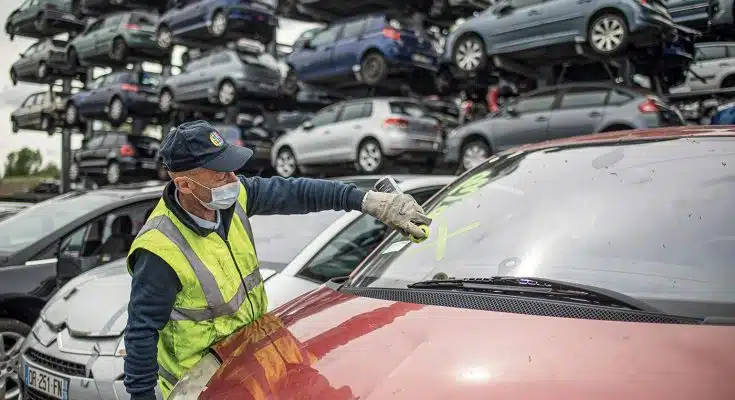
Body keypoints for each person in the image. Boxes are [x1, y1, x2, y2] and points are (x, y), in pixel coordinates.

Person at [123, 120, 432, 400]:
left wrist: (367, 201)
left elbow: (299, 193)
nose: (234, 179)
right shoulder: (159, 250)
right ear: (185, 185)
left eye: (233, 169)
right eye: (221, 175)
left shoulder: (233, 199)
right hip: (206, 386)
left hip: (255, 365)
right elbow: (141, 335)